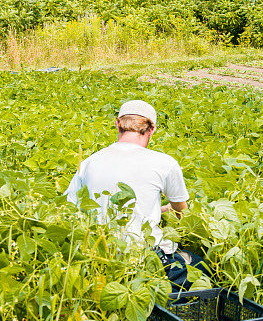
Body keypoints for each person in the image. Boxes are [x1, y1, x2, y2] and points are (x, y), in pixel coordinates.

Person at [65, 100, 208, 292]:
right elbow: (183, 213)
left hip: (99, 255)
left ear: (117, 124)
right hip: (146, 258)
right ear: (152, 129)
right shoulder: (164, 163)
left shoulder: (89, 162)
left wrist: (159, 209)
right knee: (200, 268)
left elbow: (70, 209)